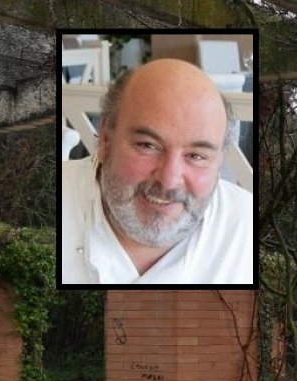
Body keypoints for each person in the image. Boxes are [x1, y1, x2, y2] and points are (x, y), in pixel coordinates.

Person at [61, 59, 253, 284]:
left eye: (196, 156)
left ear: (219, 161)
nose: (169, 180)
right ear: (105, 140)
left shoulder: (246, 228)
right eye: (147, 145)